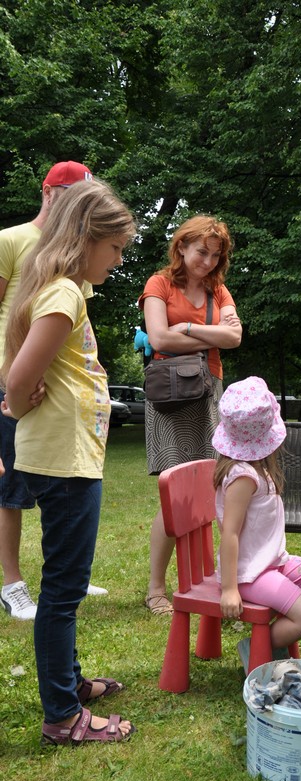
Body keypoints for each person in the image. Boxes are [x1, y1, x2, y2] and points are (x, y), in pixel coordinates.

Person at [1, 179, 136, 744]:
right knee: (63, 591)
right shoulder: (63, 295)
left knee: (65, 586)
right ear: (84, 236)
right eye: (116, 248)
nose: (119, 260)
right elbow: (16, 378)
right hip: (64, 459)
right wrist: (17, 400)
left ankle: (70, 683)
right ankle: (62, 716)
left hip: (66, 455)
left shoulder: (60, 289)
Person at [0, 160, 106, 620]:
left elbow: (73, 327)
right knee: (10, 488)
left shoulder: (77, 256)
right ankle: (12, 583)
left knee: (55, 486)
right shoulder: (10, 240)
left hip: (50, 381)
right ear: (48, 192)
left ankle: (64, 569)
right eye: (71, 197)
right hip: (14, 378)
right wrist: (13, 376)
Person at [139, 215, 242, 616]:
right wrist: (205, 333)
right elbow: (158, 337)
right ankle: (155, 589)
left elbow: (234, 338)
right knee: (175, 493)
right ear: (181, 246)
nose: (208, 262)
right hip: (171, 396)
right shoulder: (159, 284)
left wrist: (184, 327)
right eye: (202, 252)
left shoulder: (219, 290)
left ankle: (201, 580)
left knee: (208, 489)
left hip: (209, 391)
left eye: (215, 256)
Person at [212, 377, 301, 671]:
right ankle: (257, 647)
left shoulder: (256, 470)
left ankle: (276, 640)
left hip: (272, 562)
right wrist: (229, 588)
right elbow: (230, 534)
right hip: (251, 573)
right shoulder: (243, 477)